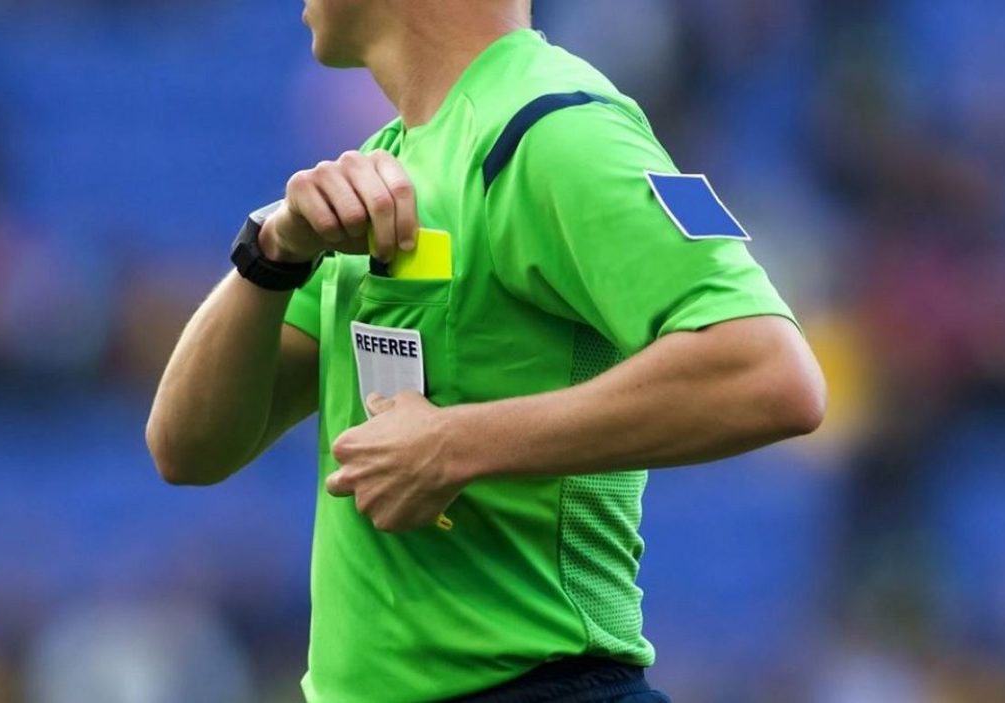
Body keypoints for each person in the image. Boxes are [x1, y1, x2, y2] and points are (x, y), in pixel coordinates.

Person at [145, 1, 827, 701]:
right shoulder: (388, 165)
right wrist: (272, 254)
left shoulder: (557, 128)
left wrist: (455, 445)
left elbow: (768, 373)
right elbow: (187, 448)